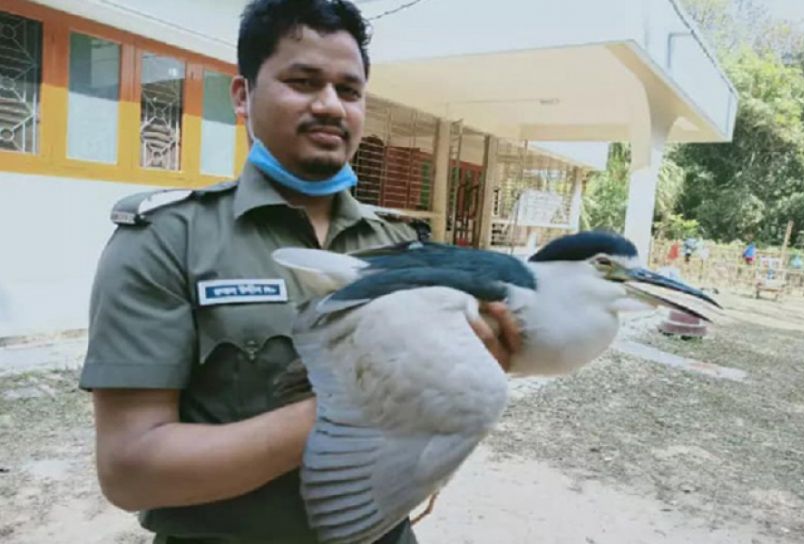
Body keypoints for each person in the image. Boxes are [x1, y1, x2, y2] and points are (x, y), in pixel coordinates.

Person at [79, 1, 522, 543]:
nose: (331, 105)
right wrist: (359, 407)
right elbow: (131, 469)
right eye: (303, 81)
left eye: (350, 90)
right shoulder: (169, 241)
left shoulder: (408, 250)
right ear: (243, 96)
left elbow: (430, 431)